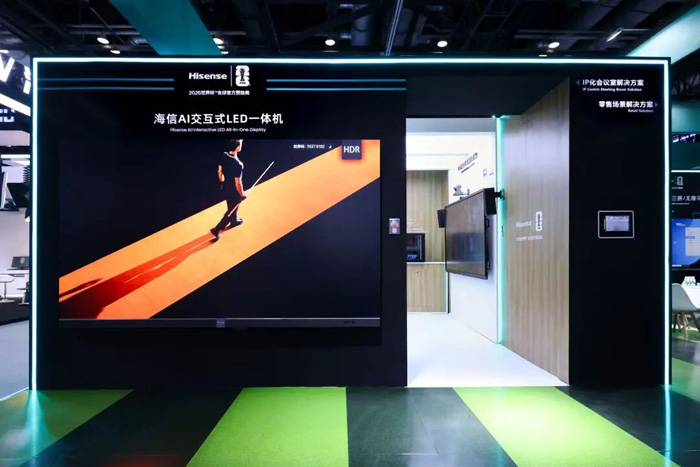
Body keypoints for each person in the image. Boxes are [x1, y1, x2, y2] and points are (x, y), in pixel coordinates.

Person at [210, 139, 246, 239]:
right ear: (237, 147)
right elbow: (238, 184)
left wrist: (222, 182)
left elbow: (219, 172)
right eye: (241, 144)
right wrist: (242, 194)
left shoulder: (224, 155)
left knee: (232, 205)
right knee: (231, 210)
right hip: (234, 190)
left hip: (226, 187)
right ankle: (217, 229)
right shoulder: (238, 164)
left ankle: (234, 221)